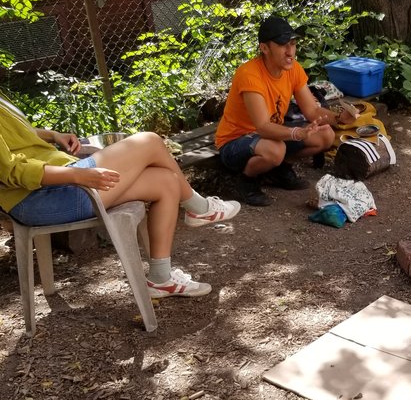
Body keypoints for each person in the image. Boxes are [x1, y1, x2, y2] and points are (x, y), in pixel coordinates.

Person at [0, 93, 240, 298]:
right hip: (40, 196)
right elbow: (10, 171)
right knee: (149, 141)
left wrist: (53, 136)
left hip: (54, 181)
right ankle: (199, 207)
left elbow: (17, 134)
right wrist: (75, 175)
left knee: (167, 181)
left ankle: (160, 278)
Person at [215, 15, 345, 206]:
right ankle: (246, 180)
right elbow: (262, 127)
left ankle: (276, 169)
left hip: (271, 137)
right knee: (276, 149)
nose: (290, 51)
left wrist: (341, 118)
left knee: (325, 135)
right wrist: (296, 133)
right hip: (235, 141)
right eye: (283, 45)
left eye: (292, 44)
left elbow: (312, 111)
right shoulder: (249, 75)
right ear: (264, 48)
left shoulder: (293, 69)